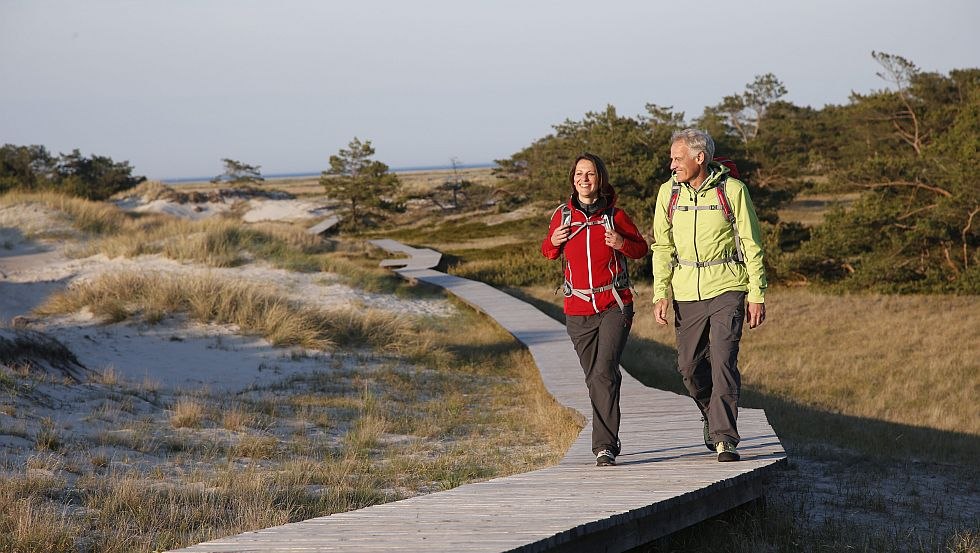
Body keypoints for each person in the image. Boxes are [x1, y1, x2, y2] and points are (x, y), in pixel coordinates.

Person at [651, 129, 768, 462]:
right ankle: (710, 413)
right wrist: (661, 292)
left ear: (699, 157)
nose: (672, 164)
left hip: (728, 287)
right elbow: (662, 247)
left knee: (723, 361)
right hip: (686, 291)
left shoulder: (733, 191)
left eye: (677, 158)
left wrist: (756, 293)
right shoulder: (667, 194)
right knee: (688, 367)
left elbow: (752, 244)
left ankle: (724, 438)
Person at [541, 153, 648, 467]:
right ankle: (608, 440)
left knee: (603, 372)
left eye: (589, 174)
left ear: (600, 179)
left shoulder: (616, 216)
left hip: (614, 305)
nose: (583, 179)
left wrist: (621, 243)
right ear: (572, 179)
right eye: (578, 174)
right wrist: (554, 241)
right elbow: (548, 253)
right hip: (577, 309)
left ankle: (604, 446)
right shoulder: (562, 216)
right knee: (596, 377)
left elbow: (640, 249)